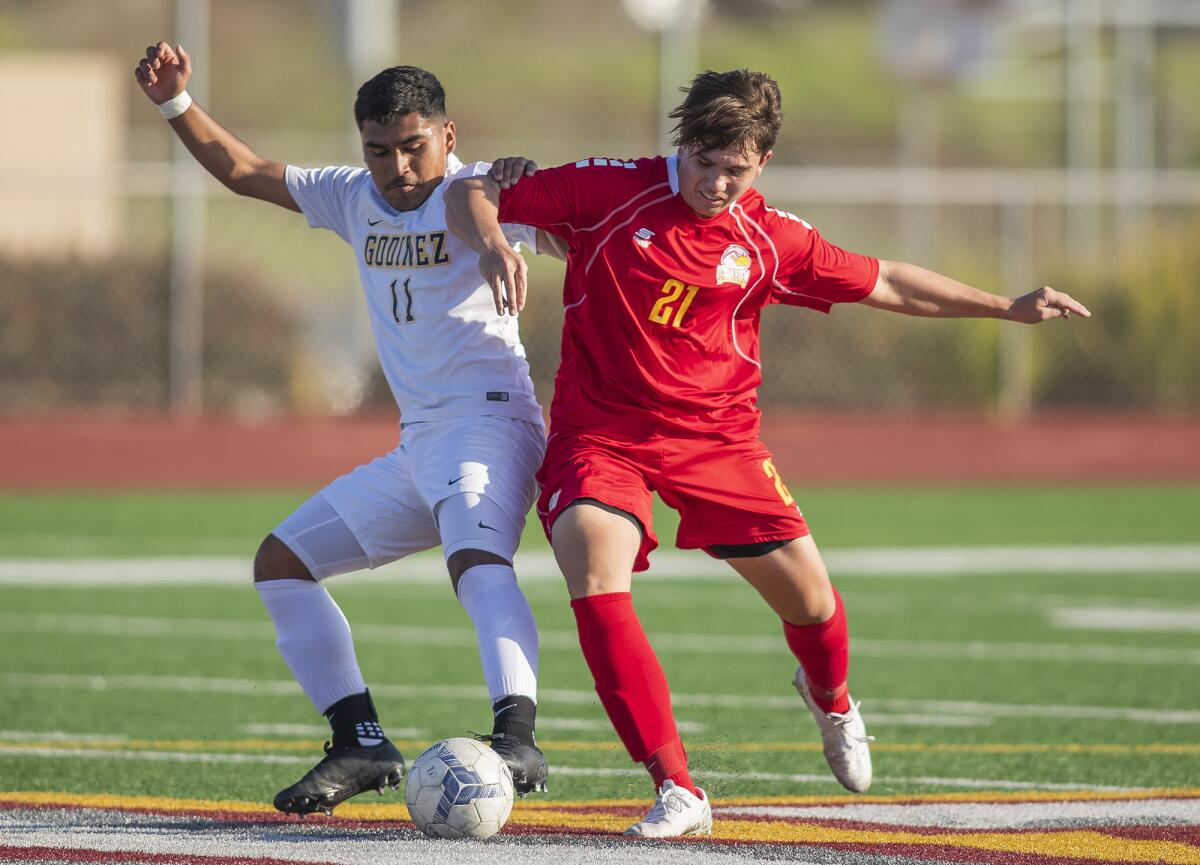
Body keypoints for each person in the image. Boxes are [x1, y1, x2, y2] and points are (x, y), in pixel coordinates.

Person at [446, 68, 1090, 837]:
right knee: (591, 563)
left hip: (719, 441)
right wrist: (492, 238)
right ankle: (678, 788)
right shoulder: (607, 189)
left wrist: (1006, 307)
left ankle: (833, 697)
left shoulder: (770, 237)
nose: (715, 182)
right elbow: (467, 194)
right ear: (680, 143)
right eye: (703, 161)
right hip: (602, 434)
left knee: (813, 604)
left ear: (763, 165)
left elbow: (887, 282)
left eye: (735, 170)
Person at [135, 44, 563, 816]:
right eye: (378, 149)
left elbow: (476, 203)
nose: (398, 165)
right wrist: (175, 103)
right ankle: (359, 740)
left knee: (474, 559)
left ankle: (517, 733)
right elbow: (242, 170)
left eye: (413, 145)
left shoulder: (480, 185)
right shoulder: (352, 195)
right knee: (282, 560)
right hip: (420, 442)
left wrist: (503, 239)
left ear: (448, 133)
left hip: (490, 425)